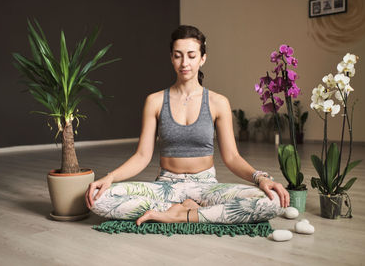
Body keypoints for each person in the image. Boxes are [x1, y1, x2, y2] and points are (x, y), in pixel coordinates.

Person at [85, 25, 289, 225]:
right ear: (171, 57)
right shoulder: (155, 101)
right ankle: (194, 212)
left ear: (203, 58)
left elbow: (232, 157)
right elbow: (142, 156)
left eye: (191, 55)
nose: (184, 63)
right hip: (166, 188)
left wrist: (260, 178)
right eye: (178, 55)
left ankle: (179, 215)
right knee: (98, 197)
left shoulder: (218, 102)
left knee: (274, 202)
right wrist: (109, 178)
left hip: (206, 187)